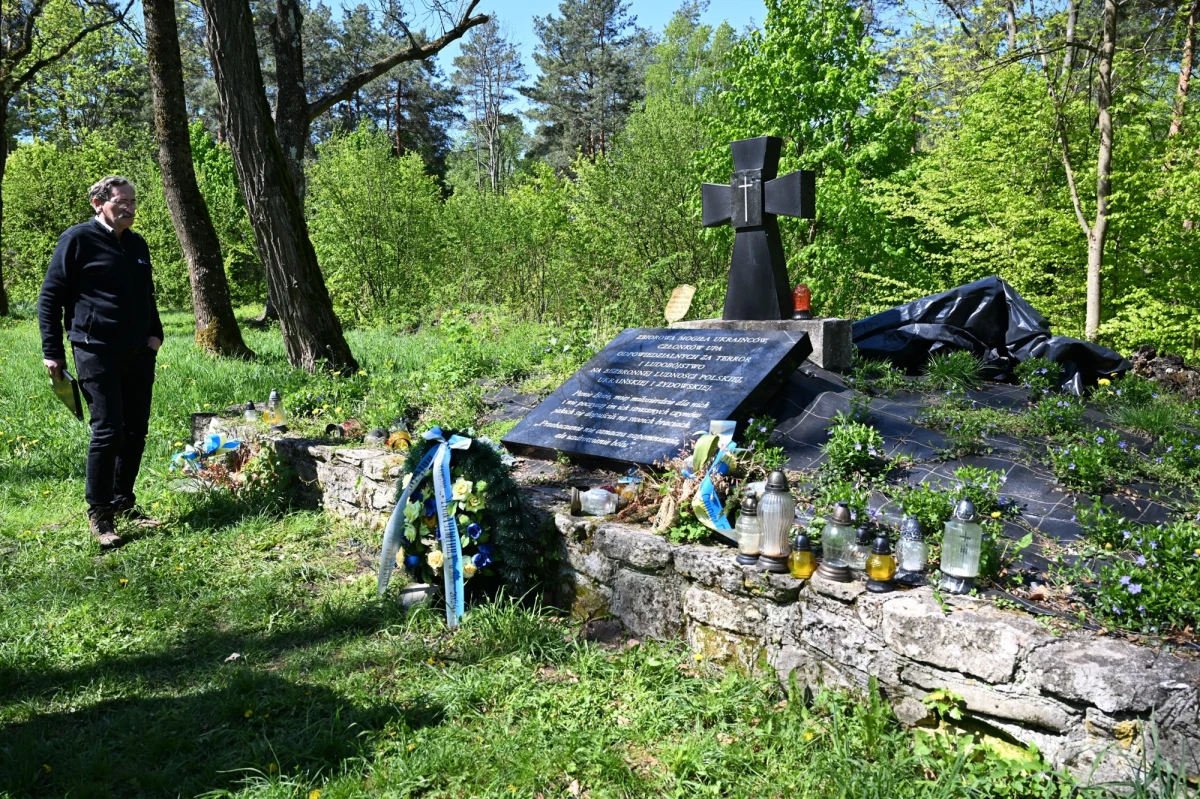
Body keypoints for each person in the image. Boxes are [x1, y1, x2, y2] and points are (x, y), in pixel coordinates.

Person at [38, 176, 164, 549]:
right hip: (95, 348)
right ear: (98, 203)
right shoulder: (77, 240)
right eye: (121, 201)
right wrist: (52, 352)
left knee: (136, 429)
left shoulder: (137, 244)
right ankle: (100, 513)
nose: (129, 208)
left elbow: (147, 294)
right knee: (108, 429)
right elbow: (50, 298)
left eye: (132, 201)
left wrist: (156, 335)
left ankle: (123, 501)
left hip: (139, 352)